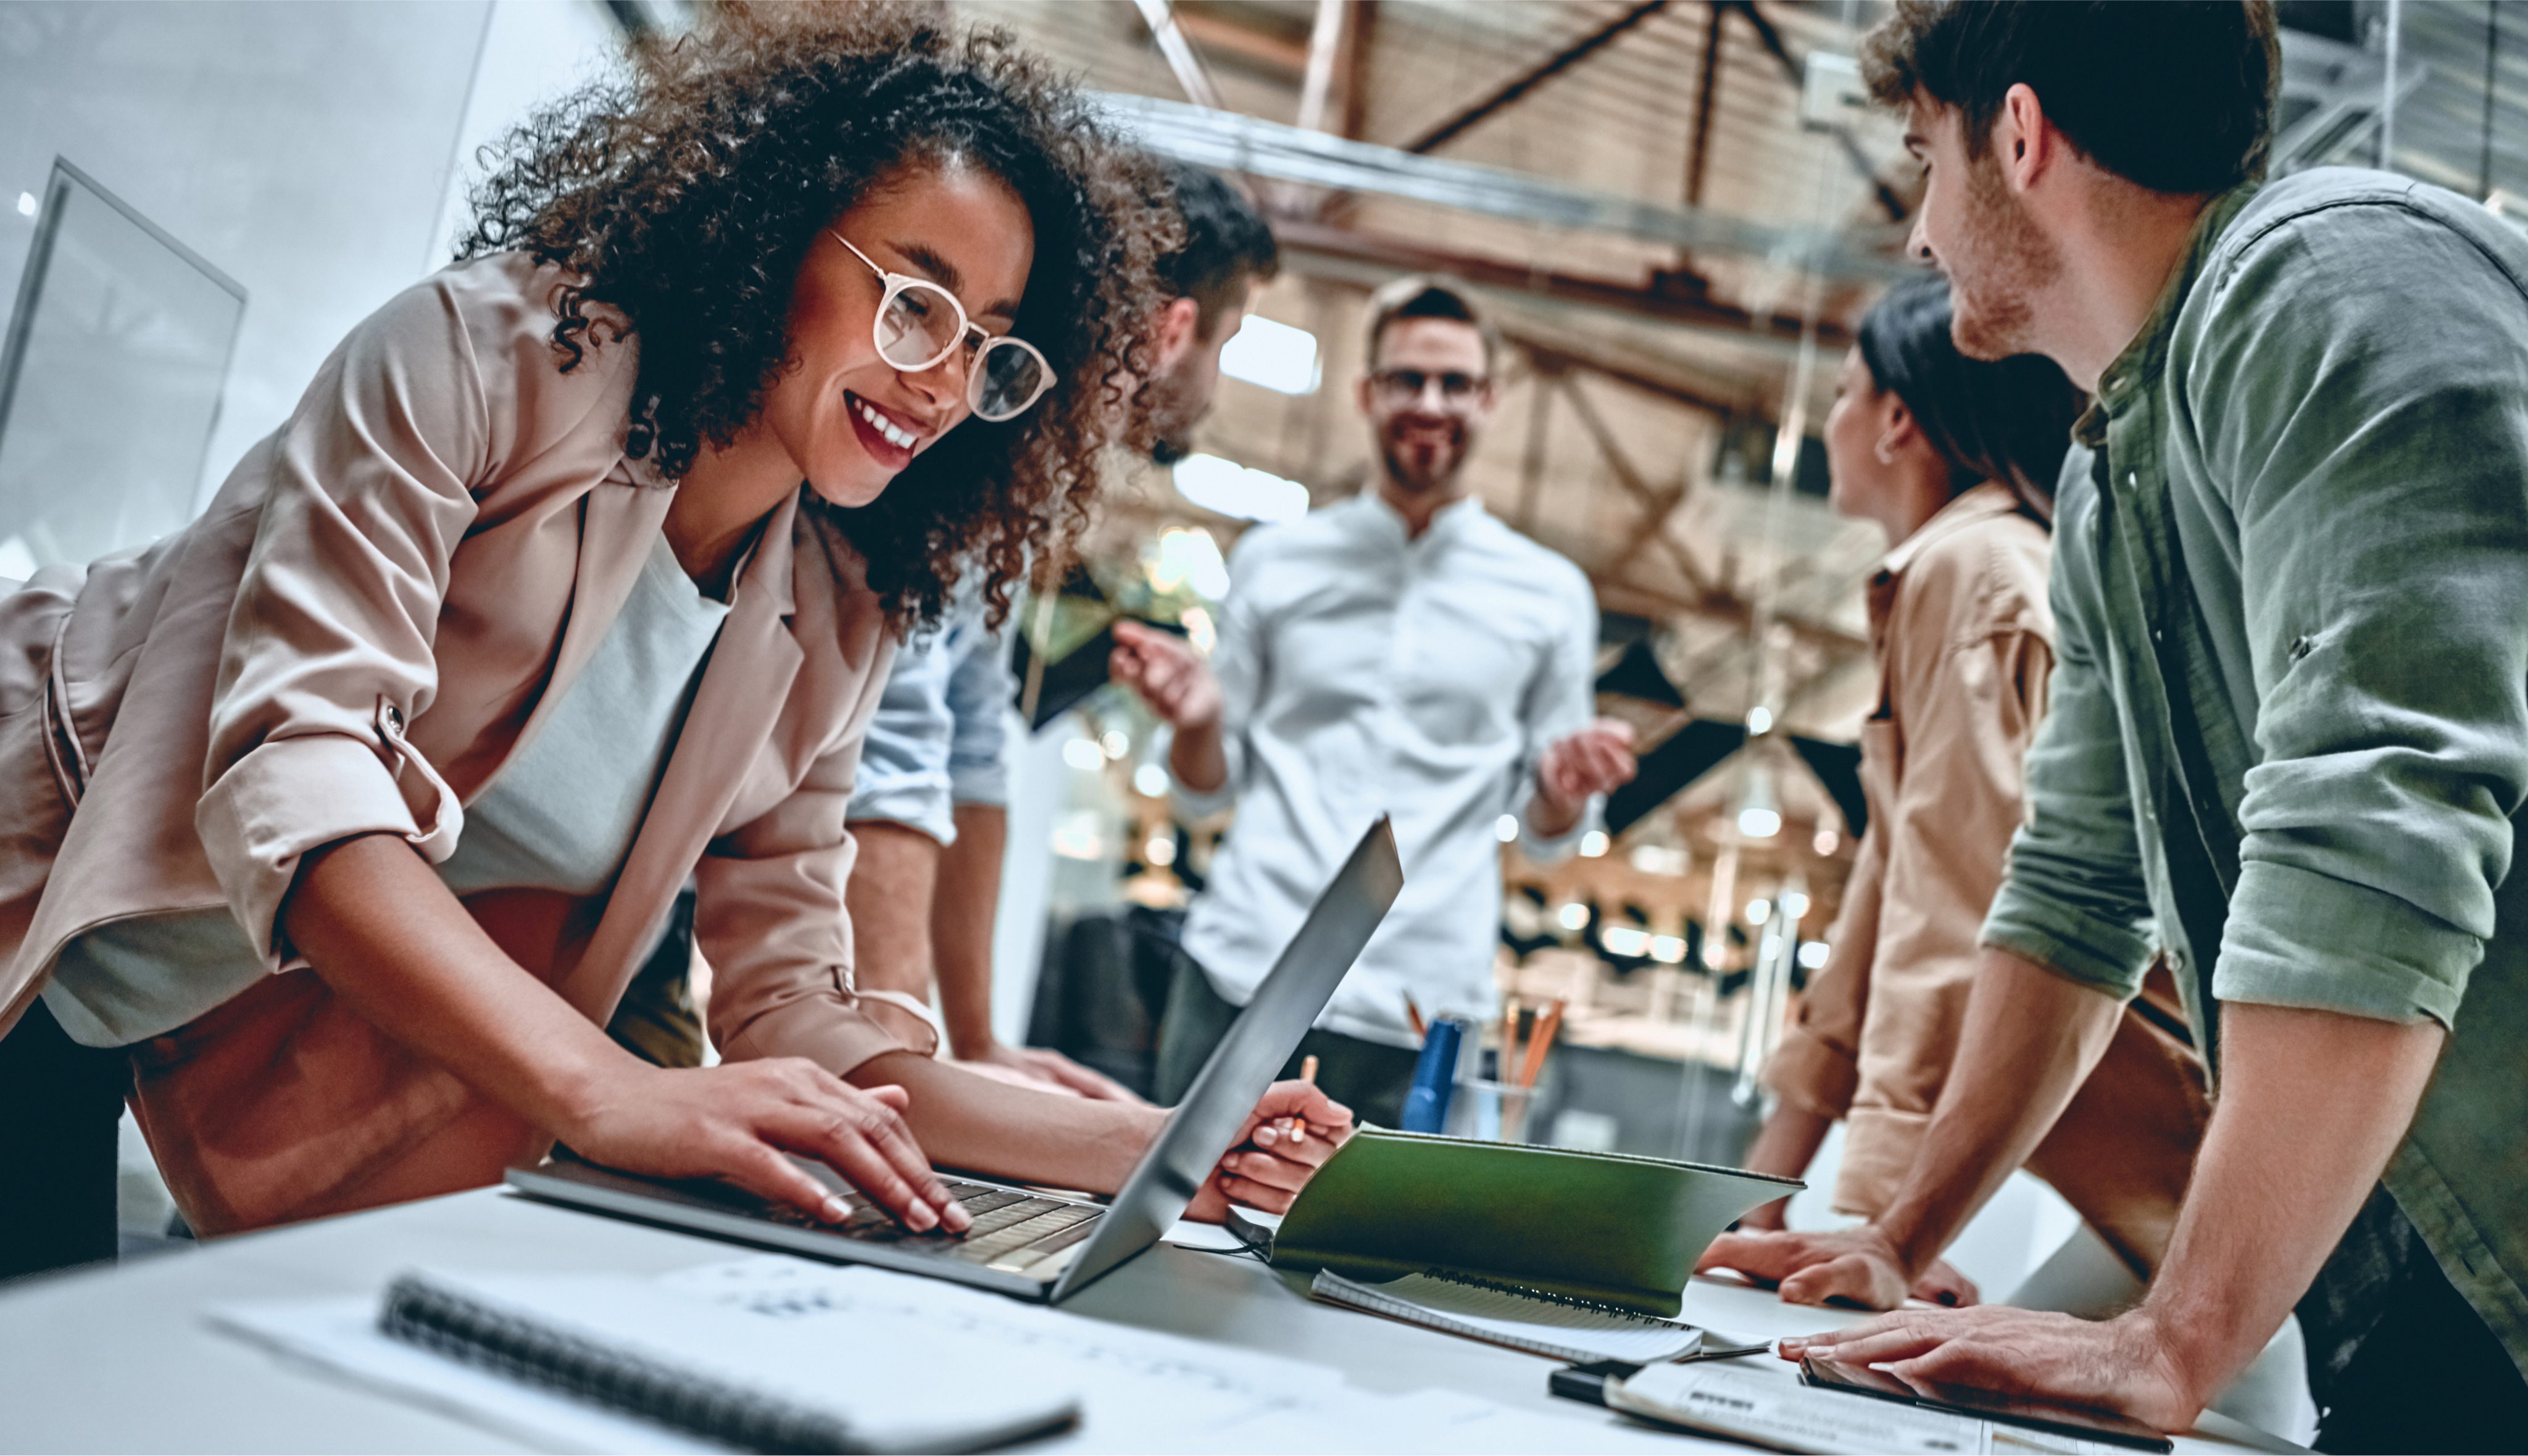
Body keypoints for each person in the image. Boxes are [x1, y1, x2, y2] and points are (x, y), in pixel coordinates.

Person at [0, 6, 1345, 1283]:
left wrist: (1167, 1147)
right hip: (32, 893)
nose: (940, 381)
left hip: (198, 1013)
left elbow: (797, 1015)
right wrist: (615, 1089)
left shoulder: (833, 607)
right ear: (772, 237)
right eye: (914, 302)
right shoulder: (479, 359)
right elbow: (303, 782)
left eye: (989, 347)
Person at [1723, 4, 2528, 1448]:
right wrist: (1899, 1234)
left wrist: (2177, 1333)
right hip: (2425, 1254)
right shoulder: (2111, 476)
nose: (1917, 234)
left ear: (2016, 138)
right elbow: (2076, 885)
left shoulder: (2333, 280)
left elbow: (2376, 819)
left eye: (1924, 160)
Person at [1715, 273, 2206, 1310]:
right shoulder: (1955, 572)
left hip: (2176, 1147)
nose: (1833, 420)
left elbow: (1958, 908)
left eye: (1845, 393)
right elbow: (1878, 916)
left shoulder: (1974, 574)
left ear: (1898, 419)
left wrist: (1886, 1228)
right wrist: (1759, 1193)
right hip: (2138, 1166)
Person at [1111, 275, 1639, 1128]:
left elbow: (1550, 839)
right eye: (1407, 379)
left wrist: (1563, 790)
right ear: (1366, 393)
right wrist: (1201, 722)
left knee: (1371, 1259)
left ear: (1491, 400)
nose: (1431, 403)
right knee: (1174, 1231)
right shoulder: (1277, 561)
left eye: (1456, 383)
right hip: (1246, 970)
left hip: (1422, 1004)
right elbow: (1205, 788)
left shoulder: (1552, 596)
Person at [834, 160, 1280, 1098]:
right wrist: (910, 1075)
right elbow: (900, 742)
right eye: (1228, 345)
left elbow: (972, 739)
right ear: (1175, 330)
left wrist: (977, 1041)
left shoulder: (1032, 472)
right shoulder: (977, 428)